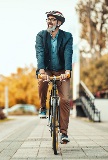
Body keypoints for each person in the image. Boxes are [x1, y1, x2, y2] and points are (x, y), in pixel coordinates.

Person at [35, 10, 73, 143]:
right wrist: (42, 71)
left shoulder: (67, 36)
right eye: (48, 19)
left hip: (62, 70)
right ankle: (43, 107)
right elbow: (39, 53)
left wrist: (67, 71)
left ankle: (63, 133)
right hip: (47, 69)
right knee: (42, 81)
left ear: (59, 23)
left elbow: (69, 53)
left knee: (65, 99)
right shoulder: (41, 35)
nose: (49, 21)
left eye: (52, 19)